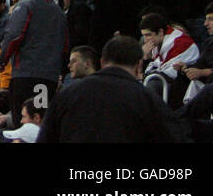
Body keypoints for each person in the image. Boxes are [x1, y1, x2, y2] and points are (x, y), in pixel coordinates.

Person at [37, 36, 177, 142]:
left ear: (102, 61)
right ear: (139, 64)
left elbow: (46, 137)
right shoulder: (147, 99)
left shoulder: (67, 95)